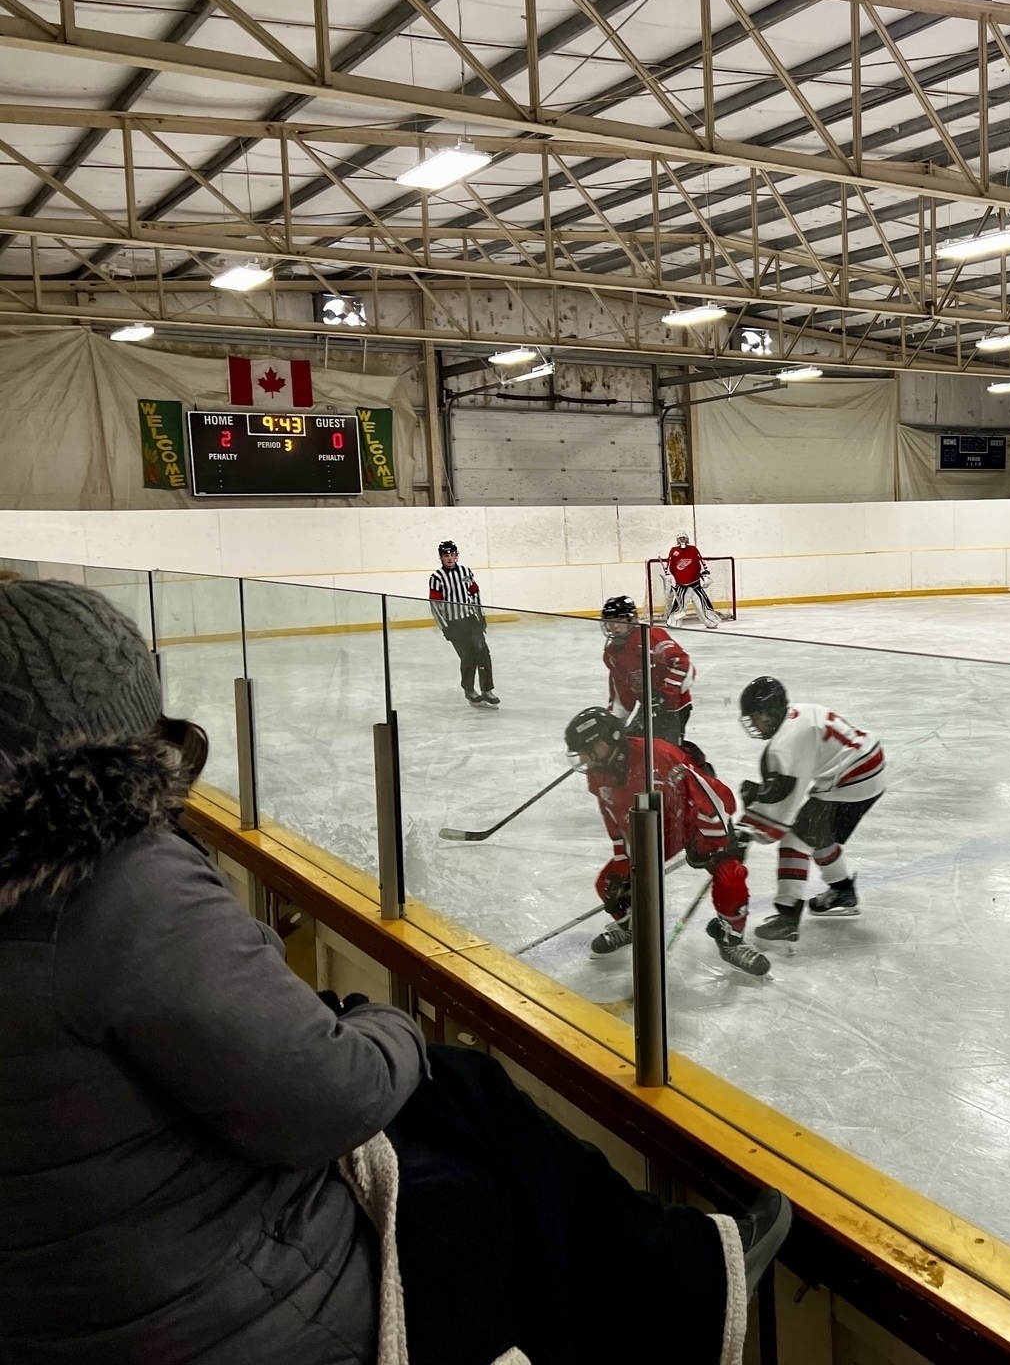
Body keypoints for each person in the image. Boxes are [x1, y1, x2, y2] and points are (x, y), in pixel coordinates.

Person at [0, 575, 787, 1365]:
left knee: (459, 1119)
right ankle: (684, 1283)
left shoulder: (59, 888)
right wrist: (389, 1022)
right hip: (214, 1312)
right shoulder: (117, 881)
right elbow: (328, 1096)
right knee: (467, 1125)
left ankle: (674, 1274)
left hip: (68, 1297)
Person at [565, 706, 768, 976]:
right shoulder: (598, 772)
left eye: (588, 751)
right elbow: (613, 816)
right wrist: (626, 858)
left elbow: (716, 798)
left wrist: (711, 844)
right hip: (656, 832)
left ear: (607, 742)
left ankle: (731, 940)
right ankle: (630, 927)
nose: (585, 759)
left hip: (697, 825)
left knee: (731, 878)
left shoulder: (659, 756)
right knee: (609, 883)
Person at [736, 677, 885, 944]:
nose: (752, 724)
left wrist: (747, 828)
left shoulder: (785, 745)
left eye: (755, 716)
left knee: (795, 843)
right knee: (816, 833)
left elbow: (780, 816)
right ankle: (842, 891)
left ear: (769, 714)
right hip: (865, 765)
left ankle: (787, 919)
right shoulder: (797, 715)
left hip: (854, 780)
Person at [601, 595, 695, 744]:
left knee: (665, 748)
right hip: (648, 708)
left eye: (619, 620)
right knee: (632, 745)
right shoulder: (611, 653)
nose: (615, 627)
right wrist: (614, 723)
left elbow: (682, 663)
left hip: (675, 707)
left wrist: (665, 694)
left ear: (632, 619)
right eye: (610, 622)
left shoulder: (651, 636)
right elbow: (622, 692)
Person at [430, 540, 498, 707]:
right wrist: (445, 627)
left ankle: (487, 689)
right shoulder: (436, 578)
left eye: (452, 555)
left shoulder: (465, 571)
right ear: (441, 558)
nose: (449, 558)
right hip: (454, 624)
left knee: (483, 652)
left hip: (470, 620)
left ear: (457, 555)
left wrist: (480, 616)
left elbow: (474, 593)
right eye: (446, 556)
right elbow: (435, 605)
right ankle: (469, 690)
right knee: (467, 657)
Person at [665, 533, 722, 628]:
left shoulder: (693, 549)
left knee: (703, 604)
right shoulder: (674, 551)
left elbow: (700, 561)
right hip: (681, 585)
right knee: (679, 606)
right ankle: (673, 623)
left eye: (684, 538)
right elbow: (669, 565)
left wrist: (705, 573)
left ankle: (711, 622)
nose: (682, 540)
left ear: (687, 539)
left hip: (695, 583)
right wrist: (669, 576)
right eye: (680, 538)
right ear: (677, 540)